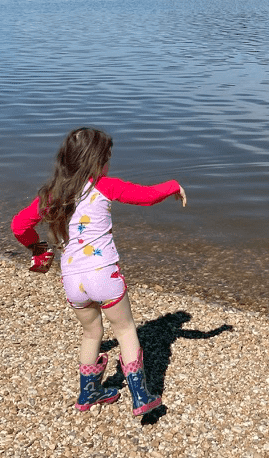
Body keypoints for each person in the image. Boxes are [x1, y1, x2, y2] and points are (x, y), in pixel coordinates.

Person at [11, 127, 187, 416]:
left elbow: (19, 225)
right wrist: (172, 185)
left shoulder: (52, 195)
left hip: (72, 281)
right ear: (96, 162)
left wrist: (37, 249)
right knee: (126, 328)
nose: (108, 164)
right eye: (107, 158)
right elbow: (145, 196)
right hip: (103, 275)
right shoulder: (105, 185)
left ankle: (88, 393)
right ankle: (141, 396)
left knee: (92, 332)